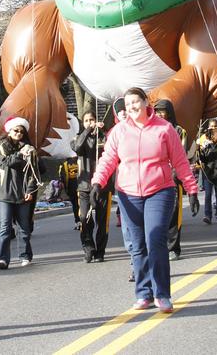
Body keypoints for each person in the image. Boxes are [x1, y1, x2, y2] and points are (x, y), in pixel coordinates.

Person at [91, 87, 200, 314]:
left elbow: (180, 161)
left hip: (159, 191)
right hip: (128, 194)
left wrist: (192, 189)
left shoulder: (164, 129)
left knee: (155, 240)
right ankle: (144, 293)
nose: (131, 107)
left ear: (145, 102)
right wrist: (97, 183)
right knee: (137, 245)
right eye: (127, 104)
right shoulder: (118, 132)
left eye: (135, 102)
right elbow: (108, 159)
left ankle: (162, 294)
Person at [0, 117, 39, 270]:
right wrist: (21, 154)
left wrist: (30, 190)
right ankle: (2, 258)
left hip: (22, 193)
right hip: (4, 193)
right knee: (4, 227)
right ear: (9, 131)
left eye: (21, 131)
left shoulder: (29, 148)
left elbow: (34, 172)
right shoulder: (0, 146)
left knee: (24, 227)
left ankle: (25, 256)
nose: (19, 133)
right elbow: (6, 162)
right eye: (15, 130)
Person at [153, 99, 197, 260]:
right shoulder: (152, 129)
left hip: (173, 178)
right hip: (155, 178)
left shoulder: (179, 131)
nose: (159, 114)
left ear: (169, 112)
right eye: (156, 111)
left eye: (162, 111)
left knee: (173, 214)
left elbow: (181, 156)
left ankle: (173, 247)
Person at [72, 110, 110, 263]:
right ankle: (88, 248)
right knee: (84, 218)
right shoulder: (77, 138)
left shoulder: (103, 137)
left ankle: (100, 251)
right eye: (86, 120)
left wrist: (103, 130)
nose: (90, 122)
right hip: (84, 187)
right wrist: (88, 130)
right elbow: (78, 147)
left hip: (102, 186)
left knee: (102, 221)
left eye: (92, 119)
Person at [198, 126, 217, 224]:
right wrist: (199, 151)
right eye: (213, 134)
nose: (215, 136)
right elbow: (202, 159)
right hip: (208, 173)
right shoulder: (206, 147)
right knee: (208, 195)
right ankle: (207, 215)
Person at [58, 155, 81, 230]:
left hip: (71, 187)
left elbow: (62, 177)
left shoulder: (64, 164)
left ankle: (78, 221)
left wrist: (65, 189)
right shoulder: (81, 160)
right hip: (82, 186)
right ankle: (86, 221)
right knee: (83, 204)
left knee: (75, 205)